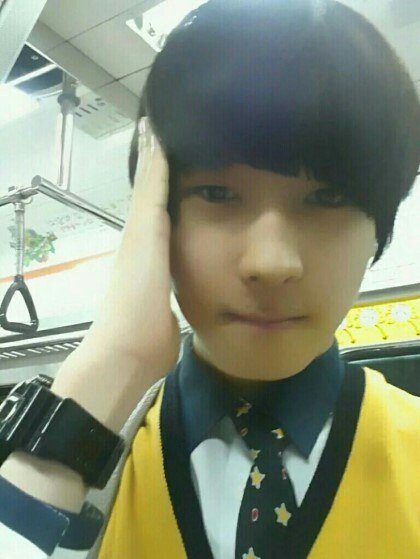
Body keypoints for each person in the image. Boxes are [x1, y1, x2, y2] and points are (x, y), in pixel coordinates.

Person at [0, 1, 419, 558]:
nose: (271, 262)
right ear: (157, 215)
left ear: (379, 227)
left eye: (327, 197)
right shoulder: (78, 474)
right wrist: (109, 369)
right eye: (217, 193)